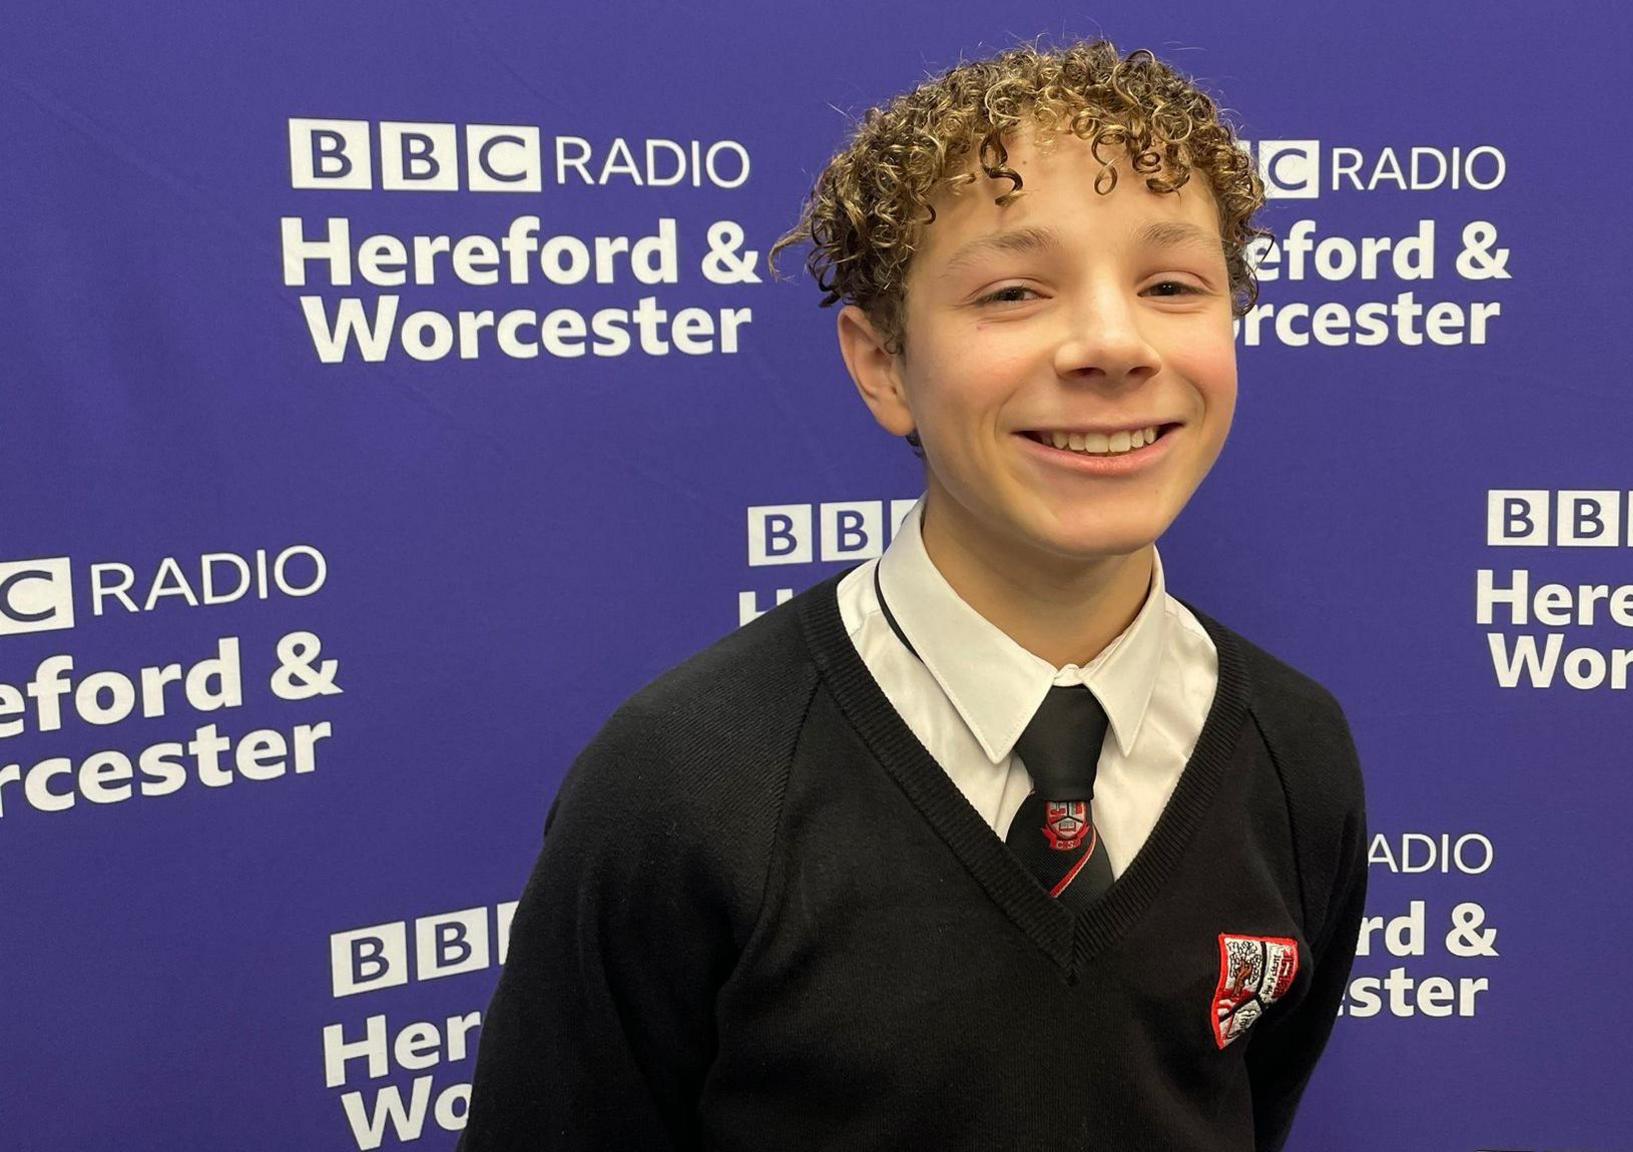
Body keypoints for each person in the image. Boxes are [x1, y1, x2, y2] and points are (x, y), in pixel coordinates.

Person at [459, 37, 1368, 1151]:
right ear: (882, 363)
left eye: (1170, 284)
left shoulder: (1294, 751)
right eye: (1012, 290)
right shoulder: (683, 783)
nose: (1111, 343)